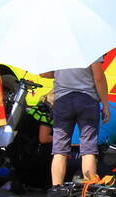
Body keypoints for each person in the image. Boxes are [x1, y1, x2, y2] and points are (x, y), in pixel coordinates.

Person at [42, 55, 110, 189]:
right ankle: (88, 190)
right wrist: (106, 105)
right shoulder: (91, 47)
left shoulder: (57, 48)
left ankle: (56, 191)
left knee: (59, 150)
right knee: (88, 148)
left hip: (62, 101)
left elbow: (44, 74)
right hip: (87, 100)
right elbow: (99, 77)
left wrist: (63, 73)